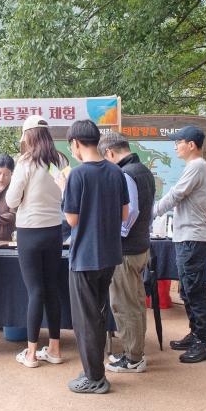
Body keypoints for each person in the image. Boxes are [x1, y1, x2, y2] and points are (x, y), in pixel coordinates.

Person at [62, 120, 130, 393]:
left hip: (84, 256)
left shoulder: (77, 176)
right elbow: (125, 214)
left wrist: (63, 188)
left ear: (76, 144)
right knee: (98, 313)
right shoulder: (116, 173)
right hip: (109, 254)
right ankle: (94, 370)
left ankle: (94, 378)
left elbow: (71, 219)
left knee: (85, 319)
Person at [6, 115, 68, 368]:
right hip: (54, 230)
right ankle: (54, 349)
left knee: (35, 291)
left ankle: (31, 354)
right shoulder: (60, 160)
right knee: (52, 289)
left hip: (29, 232)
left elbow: (11, 200)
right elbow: (67, 189)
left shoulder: (26, 162)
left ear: (28, 136)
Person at [153, 126, 206, 364]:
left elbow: (176, 194)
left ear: (191, 145)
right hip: (187, 235)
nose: (175, 146)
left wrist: (152, 212)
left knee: (194, 289)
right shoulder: (194, 166)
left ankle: (203, 341)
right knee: (186, 288)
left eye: (178, 142)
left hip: (193, 237)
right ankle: (195, 333)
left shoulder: (198, 165)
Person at [100, 131, 155, 374]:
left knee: (124, 305)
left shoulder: (125, 174)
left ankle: (133, 358)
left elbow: (129, 213)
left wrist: (117, 234)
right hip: (140, 247)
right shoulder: (143, 170)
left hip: (126, 250)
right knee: (136, 303)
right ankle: (135, 352)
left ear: (110, 153)